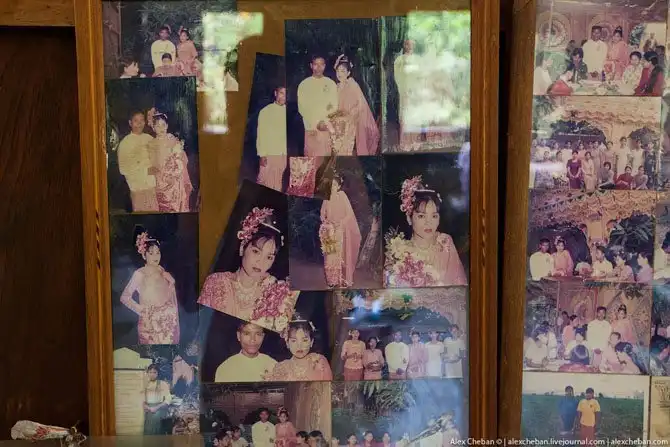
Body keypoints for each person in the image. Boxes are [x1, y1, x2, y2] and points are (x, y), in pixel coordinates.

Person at [198, 207, 297, 332]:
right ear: (242, 248)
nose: (261, 262)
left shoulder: (275, 292)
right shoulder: (215, 282)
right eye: (256, 251)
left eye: (269, 257)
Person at [384, 176, 467, 287]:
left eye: (434, 216)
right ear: (409, 218)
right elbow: (389, 291)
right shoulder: (398, 251)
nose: (429, 223)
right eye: (421, 216)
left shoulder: (444, 242)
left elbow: (458, 285)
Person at [120, 230, 180, 344]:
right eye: (151, 253)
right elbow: (125, 297)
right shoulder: (139, 273)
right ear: (144, 255)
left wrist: (171, 282)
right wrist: (143, 311)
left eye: (158, 252)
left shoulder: (161, 269)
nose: (156, 256)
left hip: (165, 323)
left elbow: (165, 297)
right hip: (149, 325)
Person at [320, 171, 362, 288]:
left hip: (340, 230)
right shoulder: (326, 198)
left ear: (338, 186)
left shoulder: (342, 196)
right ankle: (331, 280)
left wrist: (340, 223)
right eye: (331, 185)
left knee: (340, 256)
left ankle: (341, 279)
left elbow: (349, 214)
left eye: (334, 185)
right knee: (330, 256)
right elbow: (322, 213)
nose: (332, 187)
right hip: (329, 231)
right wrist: (325, 221)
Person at [147, 111, 193, 212]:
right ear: (153, 128)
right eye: (158, 126)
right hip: (162, 179)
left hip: (176, 179)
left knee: (179, 204)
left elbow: (182, 158)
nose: (161, 128)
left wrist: (178, 156)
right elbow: (154, 163)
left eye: (163, 125)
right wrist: (164, 176)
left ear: (167, 126)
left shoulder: (172, 139)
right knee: (165, 206)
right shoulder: (152, 144)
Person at [333, 55, 379, 155]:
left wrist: (350, 114)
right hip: (337, 123)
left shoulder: (352, 84)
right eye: (338, 71)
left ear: (348, 73)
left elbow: (360, 104)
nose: (339, 74)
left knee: (347, 149)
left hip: (350, 122)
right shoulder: (336, 87)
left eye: (343, 71)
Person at [265, 316, 333, 381]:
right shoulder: (281, 368)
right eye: (294, 341)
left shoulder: (319, 361)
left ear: (311, 342)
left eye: (304, 340)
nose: (299, 346)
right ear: (287, 343)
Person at [298, 55, 338, 156]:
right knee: (311, 159)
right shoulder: (304, 85)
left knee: (326, 159)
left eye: (321, 64)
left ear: (325, 66)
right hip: (311, 128)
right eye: (316, 64)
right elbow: (302, 108)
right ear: (311, 65)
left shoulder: (331, 84)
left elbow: (334, 105)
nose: (319, 67)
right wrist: (316, 123)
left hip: (326, 128)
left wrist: (325, 122)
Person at [117, 110, 158, 212]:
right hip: (138, 189)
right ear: (130, 123)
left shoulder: (149, 138)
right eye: (136, 121)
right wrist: (146, 171)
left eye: (141, 120)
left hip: (153, 187)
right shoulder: (125, 143)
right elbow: (123, 169)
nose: (139, 124)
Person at [256, 86, 288, 192]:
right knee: (264, 183)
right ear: (275, 93)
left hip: (282, 155)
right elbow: (261, 134)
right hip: (269, 154)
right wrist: (262, 154)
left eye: (286, 94)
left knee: (277, 184)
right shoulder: (265, 111)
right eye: (281, 93)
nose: (283, 96)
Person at [394, 39, 420, 147]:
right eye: (408, 44)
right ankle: (405, 142)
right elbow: (397, 76)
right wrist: (403, 89)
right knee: (405, 116)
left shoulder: (418, 60)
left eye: (412, 44)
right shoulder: (399, 60)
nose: (410, 46)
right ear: (404, 45)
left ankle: (415, 140)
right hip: (405, 92)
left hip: (416, 92)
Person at [143, 364, 171, 435]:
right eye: (150, 372)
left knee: (158, 432)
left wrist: (156, 407)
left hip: (159, 411)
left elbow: (168, 400)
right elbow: (141, 398)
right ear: (147, 373)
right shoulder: (145, 384)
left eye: (154, 372)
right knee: (148, 433)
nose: (152, 374)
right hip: (148, 413)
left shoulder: (163, 384)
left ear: (157, 373)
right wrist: (146, 406)